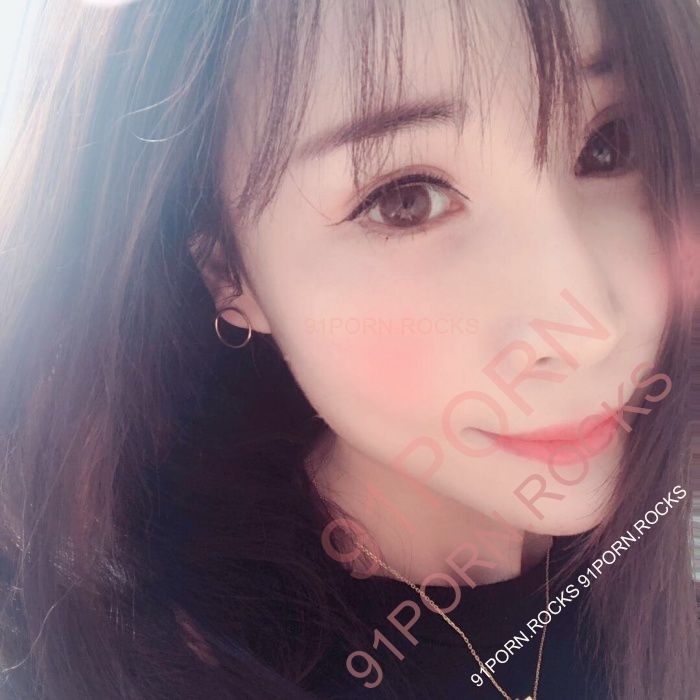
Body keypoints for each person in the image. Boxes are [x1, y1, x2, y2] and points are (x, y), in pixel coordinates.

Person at [0, 0, 698, 698]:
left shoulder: (662, 522)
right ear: (230, 276)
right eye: (405, 200)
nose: (590, 328)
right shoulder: (147, 655)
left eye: (611, 144)